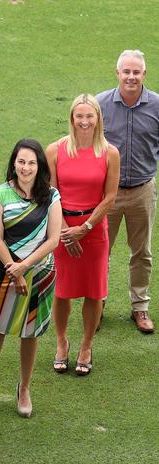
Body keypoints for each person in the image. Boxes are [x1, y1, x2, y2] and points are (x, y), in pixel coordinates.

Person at [0, 139, 61, 418]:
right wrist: (13, 267)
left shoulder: (52, 195)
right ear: (14, 163)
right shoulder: (1, 193)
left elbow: (54, 238)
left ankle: (24, 388)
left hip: (40, 271)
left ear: (39, 166)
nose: (26, 167)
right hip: (5, 269)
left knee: (30, 332)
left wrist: (25, 267)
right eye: (21, 162)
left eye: (32, 162)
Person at [46, 94, 120, 376]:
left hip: (93, 231)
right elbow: (52, 193)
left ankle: (86, 345)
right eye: (80, 116)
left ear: (98, 117)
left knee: (93, 291)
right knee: (62, 291)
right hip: (63, 230)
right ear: (72, 118)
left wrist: (85, 228)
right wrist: (66, 231)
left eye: (90, 116)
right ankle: (62, 342)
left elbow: (110, 197)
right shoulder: (55, 150)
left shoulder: (110, 152)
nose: (85, 121)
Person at [97, 49, 159, 334]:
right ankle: (96, 305)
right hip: (107, 193)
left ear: (144, 74)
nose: (131, 76)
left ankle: (140, 307)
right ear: (118, 73)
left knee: (142, 253)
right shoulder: (100, 105)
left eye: (137, 72)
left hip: (142, 191)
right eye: (127, 71)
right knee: (100, 251)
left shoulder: (157, 106)